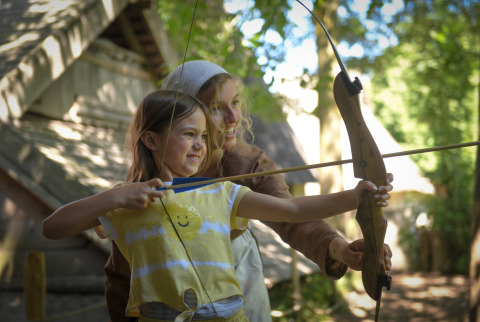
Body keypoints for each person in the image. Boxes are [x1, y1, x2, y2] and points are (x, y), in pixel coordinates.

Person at [42, 90, 393, 321]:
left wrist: (355, 196)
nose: (199, 146)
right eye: (187, 134)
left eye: (203, 137)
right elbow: (52, 228)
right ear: (150, 139)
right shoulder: (128, 203)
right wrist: (114, 196)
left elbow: (294, 210)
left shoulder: (221, 194)